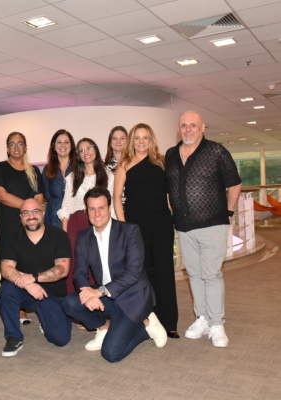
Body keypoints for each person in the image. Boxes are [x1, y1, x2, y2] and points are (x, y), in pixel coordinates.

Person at [62, 188, 167, 363]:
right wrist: (87, 293)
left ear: (110, 208)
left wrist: (99, 292)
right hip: (106, 296)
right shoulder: (83, 236)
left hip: (132, 297)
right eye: (92, 209)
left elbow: (133, 273)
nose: (97, 213)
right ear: (87, 211)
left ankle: (146, 325)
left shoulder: (130, 231)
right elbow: (79, 272)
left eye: (101, 208)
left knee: (111, 354)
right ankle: (104, 328)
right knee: (70, 303)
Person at [165, 111, 242, 348]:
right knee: (194, 274)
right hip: (184, 227)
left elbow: (235, 184)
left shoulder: (216, 151)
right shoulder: (171, 154)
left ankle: (217, 323)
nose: (188, 129)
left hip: (213, 224)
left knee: (211, 275)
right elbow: (170, 189)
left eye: (193, 125)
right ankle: (202, 319)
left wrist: (228, 213)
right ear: (179, 128)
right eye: (184, 125)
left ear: (202, 127)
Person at [114, 123, 179, 339]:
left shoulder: (161, 161)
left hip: (161, 223)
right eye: (137, 138)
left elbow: (170, 193)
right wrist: (124, 227)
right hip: (136, 225)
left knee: (164, 271)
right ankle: (151, 321)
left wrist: (173, 216)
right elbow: (116, 198)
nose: (141, 142)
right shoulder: (124, 164)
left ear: (151, 140)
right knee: (144, 273)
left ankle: (170, 322)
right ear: (132, 141)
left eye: (145, 138)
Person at [0, 198, 72, 357]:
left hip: (52, 294)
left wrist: (33, 278)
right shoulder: (12, 238)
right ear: (20, 216)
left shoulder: (59, 235)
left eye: (35, 211)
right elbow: (6, 269)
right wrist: (28, 284)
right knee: (7, 288)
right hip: (25, 291)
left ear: (43, 213)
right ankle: (13, 336)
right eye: (26, 213)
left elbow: (62, 269)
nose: (31, 216)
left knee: (61, 339)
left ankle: (45, 320)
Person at [0, 132, 44, 324]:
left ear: (25, 147)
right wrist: (29, 208)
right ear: (7, 148)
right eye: (12, 144)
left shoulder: (33, 170)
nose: (16, 147)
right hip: (8, 226)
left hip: (31, 226)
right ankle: (15, 309)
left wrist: (30, 213)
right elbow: (1, 195)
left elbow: (40, 198)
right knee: (9, 267)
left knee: (31, 264)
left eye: (20, 144)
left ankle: (34, 305)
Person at [57, 138, 115, 294]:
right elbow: (66, 207)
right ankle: (75, 301)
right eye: (81, 150)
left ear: (96, 150)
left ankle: (98, 300)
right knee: (75, 264)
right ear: (78, 155)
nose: (86, 153)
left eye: (89, 148)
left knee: (98, 262)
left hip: (99, 223)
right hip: (76, 224)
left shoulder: (108, 176)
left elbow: (111, 205)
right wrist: (64, 235)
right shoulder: (72, 177)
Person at [41, 129, 77, 228]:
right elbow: (46, 194)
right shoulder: (47, 169)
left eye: (66, 142)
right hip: (54, 217)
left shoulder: (79, 167)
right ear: (54, 145)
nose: (63, 145)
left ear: (71, 146)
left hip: (75, 215)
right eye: (59, 142)